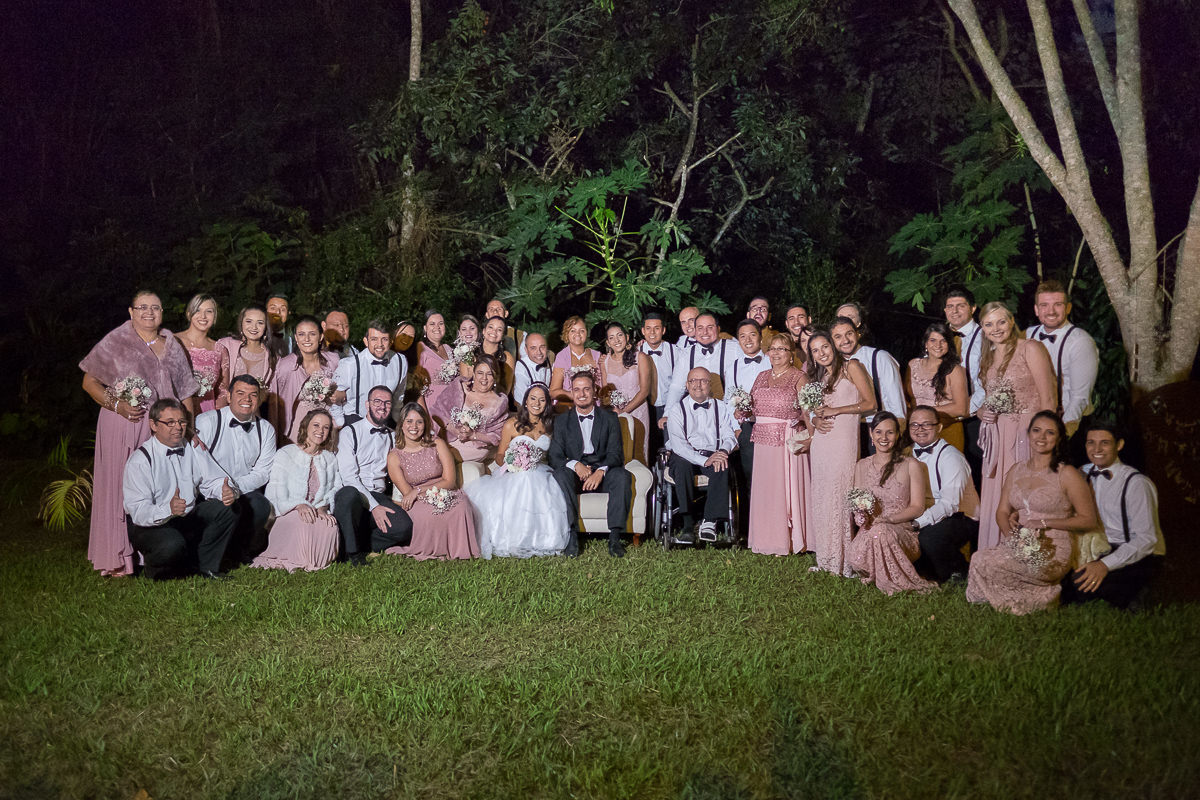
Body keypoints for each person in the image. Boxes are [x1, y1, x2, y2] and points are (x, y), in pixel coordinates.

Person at [80, 290, 200, 576]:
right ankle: (117, 556)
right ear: (131, 311)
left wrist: (188, 427)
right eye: (142, 307)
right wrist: (118, 405)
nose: (149, 312)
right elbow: (89, 382)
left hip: (161, 428)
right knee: (118, 486)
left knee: (158, 483)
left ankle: (154, 550)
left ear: (162, 312)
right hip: (123, 423)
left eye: (155, 307)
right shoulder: (116, 340)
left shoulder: (172, 344)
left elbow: (185, 393)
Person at [966, 411, 1099, 614]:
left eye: (1049, 433)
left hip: (1052, 545)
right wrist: (1012, 538)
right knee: (978, 559)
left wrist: (1046, 522)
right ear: (1028, 434)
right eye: (1036, 431)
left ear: (1059, 438)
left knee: (997, 565)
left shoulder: (1067, 474)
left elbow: (1088, 520)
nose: (1041, 437)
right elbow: (1002, 511)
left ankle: (1044, 596)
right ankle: (1029, 596)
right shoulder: (1016, 470)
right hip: (1019, 541)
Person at [122, 399, 238, 580]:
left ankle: (207, 567)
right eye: (170, 422)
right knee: (171, 544)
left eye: (182, 421)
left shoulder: (192, 446)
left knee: (226, 510)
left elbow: (213, 479)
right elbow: (138, 511)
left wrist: (225, 490)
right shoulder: (140, 460)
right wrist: (168, 509)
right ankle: (158, 573)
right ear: (153, 425)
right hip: (151, 524)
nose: (178, 427)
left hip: (185, 517)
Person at [976, 302, 1056, 549]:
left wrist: (1044, 440)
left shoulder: (1030, 348)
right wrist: (981, 412)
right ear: (983, 329)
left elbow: (1049, 400)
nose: (996, 328)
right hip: (998, 436)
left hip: (1026, 431)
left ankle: (1028, 556)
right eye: (989, 324)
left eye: (1001, 321)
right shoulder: (988, 357)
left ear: (1011, 321)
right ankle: (996, 554)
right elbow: (988, 398)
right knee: (999, 495)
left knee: (1023, 492)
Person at [1061, 423, 1166, 608]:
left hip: (1135, 553)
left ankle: (1143, 592)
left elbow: (1146, 540)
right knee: (1062, 582)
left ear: (1119, 445)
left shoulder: (1136, 483)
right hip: (1096, 547)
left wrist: (1104, 565)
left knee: (1081, 588)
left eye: (1105, 443)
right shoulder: (1081, 473)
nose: (1097, 449)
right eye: (1091, 443)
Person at [463, 384, 571, 558]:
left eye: (542, 400)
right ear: (526, 401)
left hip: (541, 471)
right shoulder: (511, 424)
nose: (537, 403)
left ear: (547, 404)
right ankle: (516, 540)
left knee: (538, 484)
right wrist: (512, 462)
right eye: (533, 398)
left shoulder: (550, 426)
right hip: (514, 473)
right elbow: (499, 455)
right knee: (524, 480)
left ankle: (541, 540)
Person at [805, 330, 876, 577]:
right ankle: (825, 559)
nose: (821, 353)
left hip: (844, 441)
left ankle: (844, 562)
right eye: (815, 350)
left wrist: (836, 410)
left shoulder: (851, 366)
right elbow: (816, 410)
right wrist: (816, 418)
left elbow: (870, 403)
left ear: (833, 347)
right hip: (822, 443)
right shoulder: (821, 377)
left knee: (840, 495)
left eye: (824, 346)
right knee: (823, 497)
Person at [847, 413, 936, 595]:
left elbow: (918, 507)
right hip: (869, 530)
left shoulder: (911, 464)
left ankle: (892, 581)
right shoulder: (861, 466)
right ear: (871, 435)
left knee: (883, 532)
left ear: (897, 435)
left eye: (889, 433)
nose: (884, 438)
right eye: (879, 432)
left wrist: (888, 519)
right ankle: (876, 570)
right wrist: (861, 516)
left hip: (899, 530)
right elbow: (857, 503)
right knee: (861, 550)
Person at [193, 375, 277, 563]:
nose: (247, 400)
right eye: (240, 393)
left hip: (242, 490)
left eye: (253, 395)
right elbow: (198, 466)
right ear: (229, 397)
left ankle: (241, 552)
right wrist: (220, 490)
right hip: (207, 491)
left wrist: (235, 489)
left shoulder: (266, 430)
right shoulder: (207, 422)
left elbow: (263, 471)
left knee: (260, 505)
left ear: (259, 399)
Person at [549, 370, 632, 558]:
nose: (582, 394)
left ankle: (615, 537)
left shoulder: (610, 418)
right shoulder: (562, 421)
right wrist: (575, 465)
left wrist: (600, 471)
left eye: (586, 389)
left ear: (594, 391)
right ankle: (571, 535)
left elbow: (615, 453)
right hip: (576, 473)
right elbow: (555, 456)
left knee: (622, 476)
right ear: (572, 392)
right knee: (560, 474)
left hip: (602, 469)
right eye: (577, 389)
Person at [385, 403, 481, 561]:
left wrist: (420, 490)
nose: (414, 426)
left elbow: (450, 481)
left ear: (425, 424)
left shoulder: (438, 444)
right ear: (401, 424)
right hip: (416, 499)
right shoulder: (394, 456)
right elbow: (407, 494)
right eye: (409, 421)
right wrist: (418, 493)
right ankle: (431, 550)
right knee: (427, 514)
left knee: (461, 506)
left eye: (419, 422)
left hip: (444, 489)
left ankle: (459, 550)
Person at [251, 408, 342, 572]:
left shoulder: (330, 458)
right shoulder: (286, 453)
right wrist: (298, 505)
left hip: (317, 511)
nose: (320, 431)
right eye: (316, 425)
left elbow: (336, 488)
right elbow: (276, 492)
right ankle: (299, 561)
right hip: (288, 512)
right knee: (304, 522)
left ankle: (316, 563)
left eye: (326, 427)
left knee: (330, 526)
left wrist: (323, 508)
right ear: (306, 426)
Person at [331, 386, 413, 564]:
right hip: (354, 496)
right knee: (347, 494)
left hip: (378, 493)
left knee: (404, 527)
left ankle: (356, 543)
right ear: (367, 405)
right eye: (377, 401)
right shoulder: (349, 432)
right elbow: (349, 477)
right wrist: (374, 507)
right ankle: (352, 555)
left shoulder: (392, 436)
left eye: (387, 403)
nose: (382, 407)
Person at [747, 336, 809, 555]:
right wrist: (742, 410)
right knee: (766, 490)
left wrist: (807, 435)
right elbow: (753, 408)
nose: (775, 353)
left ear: (791, 353)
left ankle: (789, 539)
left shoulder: (799, 377)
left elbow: (808, 412)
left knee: (785, 490)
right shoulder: (761, 376)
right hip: (762, 441)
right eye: (772, 349)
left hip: (786, 439)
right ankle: (765, 538)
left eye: (781, 349)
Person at [665, 367, 739, 544]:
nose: (698, 385)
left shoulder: (720, 407)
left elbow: (729, 436)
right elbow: (679, 446)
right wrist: (704, 460)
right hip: (684, 455)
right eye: (693, 381)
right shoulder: (676, 410)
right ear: (686, 385)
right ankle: (688, 525)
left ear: (710, 384)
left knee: (722, 464)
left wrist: (722, 451)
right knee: (682, 466)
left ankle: (709, 521)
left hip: (713, 452)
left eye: (703, 381)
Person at [908, 406, 980, 583]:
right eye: (915, 425)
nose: (920, 429)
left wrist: (918, 523)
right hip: (925, 511)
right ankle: (926, 570)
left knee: (929, 537)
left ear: (939, 427)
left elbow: (950, 504)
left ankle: (959, 569)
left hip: (962, 517)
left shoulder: (951, 457)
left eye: (926, 425)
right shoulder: (907, 454)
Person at [1025, 279, 1099, 436]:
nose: (1051, 311)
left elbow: (1080, 397)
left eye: (1057, 305)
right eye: (1044, 305)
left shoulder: (1080, 341)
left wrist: (1063, 432)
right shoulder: (1027, 335)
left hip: (1068, 423)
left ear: (1068, 308)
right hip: (1033, 421)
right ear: (1036, 310)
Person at [831, 315, 907, 449]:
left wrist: (896, 437)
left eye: (849, 333)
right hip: (849, 433)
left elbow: (897, 405)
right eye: (838, 337)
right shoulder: (835, 365)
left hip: (879, 430)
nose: (845, 340)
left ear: (858, 334)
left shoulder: (880, 357)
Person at [270, 316, 340, 443]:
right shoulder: (285, 366)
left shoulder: (333, 362)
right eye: (301, 334)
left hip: (326, 432)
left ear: (321, 337)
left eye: (312, 334)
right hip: (296, 433)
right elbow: (274, 405)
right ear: (296, 338)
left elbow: (344, 394)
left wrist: (339, 396)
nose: (306, 339)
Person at [429, 355, 509, 464]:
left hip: (474, 448)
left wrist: (472, 435)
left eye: (489, 374)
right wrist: (455, 430)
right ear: (474, 374)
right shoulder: (459, 388)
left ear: (495, 377)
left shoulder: (499, 403)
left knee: (440, 459)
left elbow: (497, 436)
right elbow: (436, 411)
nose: (484, 378)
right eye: (480, 373)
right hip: (446, 439)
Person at [722, 319, 772, 493]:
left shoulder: (772, 362)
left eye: (752, 335)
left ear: (760, 337)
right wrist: (737, 429)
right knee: (751, 477)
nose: (748, 340)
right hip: (747, 428)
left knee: (773, 474)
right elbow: (729, 400)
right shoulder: (732, 368)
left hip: (771, 425)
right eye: (742, 336)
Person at [942, 286, 985, 484]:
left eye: (961, 306)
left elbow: (988, 383)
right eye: (950, 306)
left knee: (976, 471)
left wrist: (965, 409)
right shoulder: (936, 338)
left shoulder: (986, 337)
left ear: (973, 308)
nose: (955, 311)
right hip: (944, 418)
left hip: (974, 416)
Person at [906, 322, 969, 451]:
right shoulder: (912, 365)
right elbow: (905, 398)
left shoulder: (955, 370)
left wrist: (924, 414)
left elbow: (961, 408)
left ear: (949, 345)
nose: (938, 345)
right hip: (916, 431)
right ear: (926, 343)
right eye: (933, 340)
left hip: (945, 429)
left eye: (943, 341)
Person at [331, 319, 405, 427]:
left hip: (386, 423)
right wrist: (341, 423)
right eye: (374, 339)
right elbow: (333, 396)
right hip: (355, 422)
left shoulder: (400, 361)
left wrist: (397, 422)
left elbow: (399, 395)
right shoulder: (350, 365)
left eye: (384, 339)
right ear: (366, 341)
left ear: (391, 341)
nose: (379, 345)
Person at [599, 322, 652, 464]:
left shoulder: (640, 357)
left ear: (627, 337)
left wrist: (624, 411)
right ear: (608, 342)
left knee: (639, 452)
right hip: (615, 415)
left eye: (619, 335)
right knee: (618, 453)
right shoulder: (604, 362)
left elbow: (645, 390)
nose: (616, 340)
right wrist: (614, 412)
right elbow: (605, 392)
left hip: (638, 412)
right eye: (611, 338)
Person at [665, 313, 734, 406]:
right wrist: (667, 414)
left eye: (710, 327)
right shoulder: (686, 354)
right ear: (695, 331)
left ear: (718, 329)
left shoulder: (735, 349)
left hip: (729, 410)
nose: (705, 332)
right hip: (696, 412)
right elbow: (676, 388)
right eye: (700, 328)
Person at [175, 293, 229, 412]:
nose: (203, 316)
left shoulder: (220, 349)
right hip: (177, 410)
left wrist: (216, 418)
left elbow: (223, 390)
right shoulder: (174, 341)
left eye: (209, 311)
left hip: (208, 412)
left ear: (214, 317)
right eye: (198, 310)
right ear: (189, 314)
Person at [216, 305, 278, 405]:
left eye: (260, 323)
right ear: (241, 323)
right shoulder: (226, 346)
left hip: (253, 413)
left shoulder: (272, 357)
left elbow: (271, 395)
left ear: (266, 327)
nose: (254, 327)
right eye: (249, 321)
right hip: (223, 409)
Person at [638, 311, 679, 450]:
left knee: (670, 447)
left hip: (670, 407)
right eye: (648, 328)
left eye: (657, 328)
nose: (652, 332)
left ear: (663, 330)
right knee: (647, 448)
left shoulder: (675, 352)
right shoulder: (634, 352)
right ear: (643, 331)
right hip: (644, 407)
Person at [550, 316, 601, 405]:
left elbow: (603, 387)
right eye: (573, 331)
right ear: (567, 334)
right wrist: (575, 395)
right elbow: (553, 392)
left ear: (587, 333)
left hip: (594, 407)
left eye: (582, 330)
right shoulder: (562, 357)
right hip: (570, 406)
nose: (577, 334)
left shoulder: (597, 355)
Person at [417, 310, 455, 412]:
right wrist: (424, 416)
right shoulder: (421, 349)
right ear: (425, 328)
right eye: (432, 324)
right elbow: (416, 389)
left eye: (441, 324)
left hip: (453, 407)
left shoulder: (449, 349)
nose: (437, 327)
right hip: (432, 408)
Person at [512, 332, 552, 408]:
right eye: (533, 348)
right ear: (526, 350)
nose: (539, 352)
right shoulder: (522, 366)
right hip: (527, 410)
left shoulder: (551, 361)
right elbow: (522, 399)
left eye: (542, 347)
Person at [481, 315, 517, 394]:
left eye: (499, 329)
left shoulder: (507, 358)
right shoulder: (472, 353)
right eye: (491, 327)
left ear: (503, 336)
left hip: (496, 401)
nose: (494, 331)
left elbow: (506, 390)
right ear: (484, 331)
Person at [391, 319, 423, 405]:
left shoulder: (411, 363)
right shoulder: (381, 354)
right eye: (404, 334)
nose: (407, 339)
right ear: (395, 333)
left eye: (411, 337)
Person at [265, 291, 294, 358]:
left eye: (283, 309)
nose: (278, 312)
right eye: (273, 308)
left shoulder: (293, 340)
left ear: (288, 313)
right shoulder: (255, 336)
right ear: (265, 311)